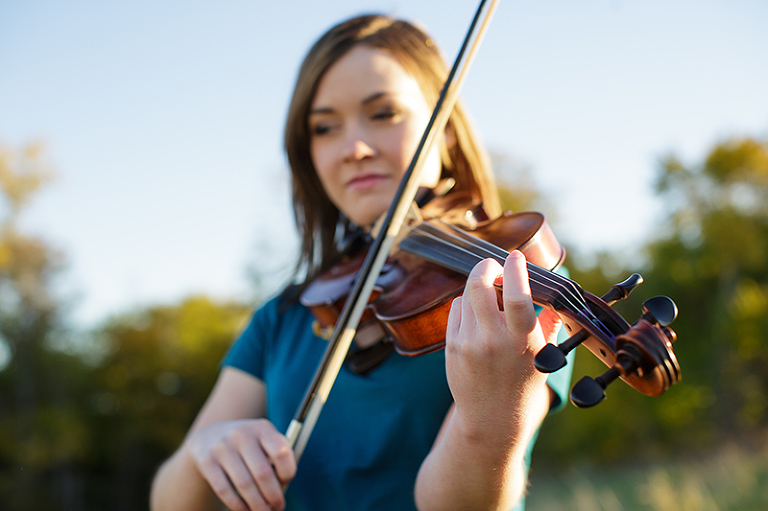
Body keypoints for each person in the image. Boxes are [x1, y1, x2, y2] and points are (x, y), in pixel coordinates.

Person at [150, 14, 572, 511]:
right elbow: (170, 502)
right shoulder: (284, 319)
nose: (353, 148)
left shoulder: (511, 289)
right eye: (325, 127)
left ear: (446, 132)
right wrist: (206, 448)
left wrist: (493, 420)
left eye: (384, 113)